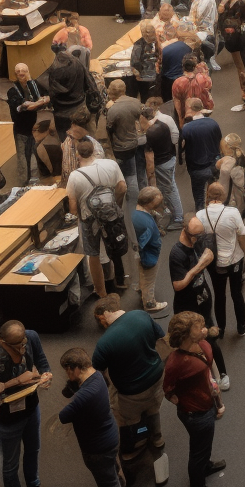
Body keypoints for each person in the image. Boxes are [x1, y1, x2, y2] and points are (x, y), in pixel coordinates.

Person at [57, 346, 128, 487]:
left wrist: (73, 393)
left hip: (98, 448)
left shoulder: (83, 395)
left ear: (74, 368)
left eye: (67, 369)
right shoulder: (98, 376)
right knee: (113, 477)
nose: (66, 373)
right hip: (110, 437)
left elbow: (63, 416)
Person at [92, 294, 167, 465]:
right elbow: (160, 337)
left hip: (131, 392)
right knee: (153, 409)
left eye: (99, 320)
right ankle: (157, 437)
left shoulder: (104, 343)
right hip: (157, 378)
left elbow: (97, 372)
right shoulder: (141, 315)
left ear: (103, 315)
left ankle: (138, 444)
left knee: (131, 420)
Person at [162, 311, 226, 487]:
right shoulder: (176, 363)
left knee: (204, 444)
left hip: (207, 405)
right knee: (197, 452)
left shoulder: (203, 345)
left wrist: (214, 400)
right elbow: (168, 389)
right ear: (188, 334)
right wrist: (183, 402)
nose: (204, 329)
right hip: (195, 414)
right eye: (199, 327)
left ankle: (206, 466)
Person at [0, 320, 55, 487]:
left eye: (24, 342)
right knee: (10, 464)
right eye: (18, 345)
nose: (23, 348)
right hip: (7, 418)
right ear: (3, 342)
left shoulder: (31, 336)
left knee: (33, 449)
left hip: (31, 407)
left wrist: (46, 374)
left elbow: (41, 360)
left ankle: (33, 486)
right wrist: (15, 381)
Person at [168, 217, 229, 389]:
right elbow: (178, 285)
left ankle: (222, 373)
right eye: (195, 235)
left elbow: (209, 258)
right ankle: (198, 376)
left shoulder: (197, 242)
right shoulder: (177, 253)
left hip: (202, 298)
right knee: (189, 341)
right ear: (185, 230)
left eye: (200, 234)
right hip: (187, 306)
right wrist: (200, 265)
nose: (198, 238)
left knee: (210, 336)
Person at [66, 137, 128, 299]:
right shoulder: (111, 164)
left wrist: (79, 216)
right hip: (112, 214)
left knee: (93, 256)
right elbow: (122, 187)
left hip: (89, 220)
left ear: (78, 155)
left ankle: (101, 292)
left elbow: (72, 208)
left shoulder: (75, 176)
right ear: (94, 151)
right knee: (114, 245)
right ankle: (119, 280)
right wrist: (116, 206)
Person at [196, 182, 245, 337]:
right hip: (234, 260)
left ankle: (221, 329)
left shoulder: (200, 215)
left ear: (208, 195)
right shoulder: (232, 212)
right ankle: (241, 326)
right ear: (223, 196)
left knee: (219, 295)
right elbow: (242, 235)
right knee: (236, 293)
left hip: (213, 262)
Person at [7, 63, 49, 185]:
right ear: (15, 74)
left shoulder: (33, 84)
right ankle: (23, 182)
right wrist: (40, 102)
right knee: (22, 157)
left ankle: (35, 179)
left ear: (28, 72)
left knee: (33, 153)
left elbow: (47, 97)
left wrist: (40, 100)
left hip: (34, 127)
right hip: (21, 128)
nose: (21, 73)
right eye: (18, 71)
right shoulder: (12, 91)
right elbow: (25, 106)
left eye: (24, 71)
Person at [180, 99, 222, 212]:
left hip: (197, 168)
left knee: (199, 197)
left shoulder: (187, 128)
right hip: (214, 164)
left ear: (190, 109)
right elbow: (219, 140)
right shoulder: (213, 123)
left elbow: (182, 148)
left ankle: (201, 219)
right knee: (215, 193)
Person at [133, 186, 169, 316]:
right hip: (148, 256)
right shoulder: (146, 222)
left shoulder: (136, 212)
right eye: (157, 199)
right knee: (149, 279)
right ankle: (150, 304)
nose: (160, 202)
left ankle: (140, 287)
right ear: (149, 203)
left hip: (141, 255)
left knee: (142, 274)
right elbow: (142, 243)